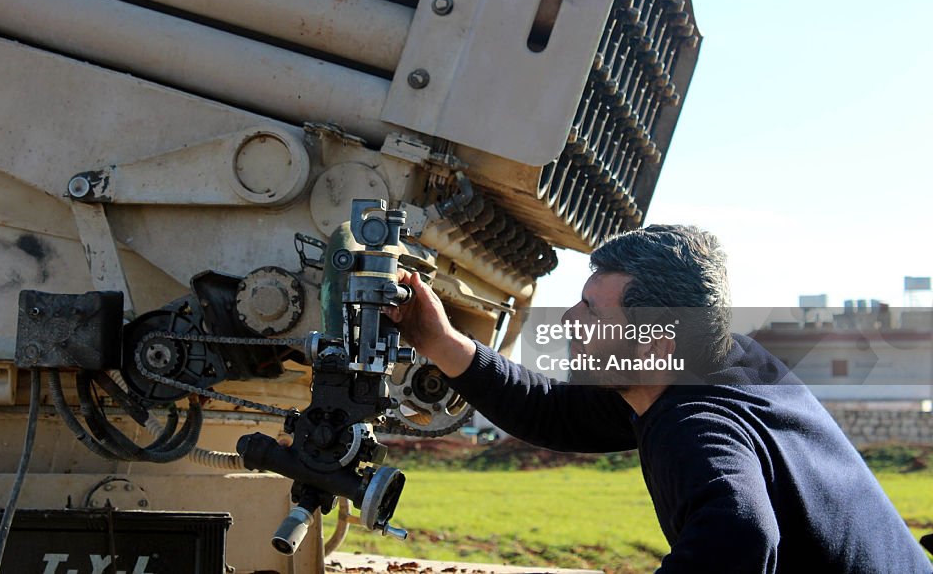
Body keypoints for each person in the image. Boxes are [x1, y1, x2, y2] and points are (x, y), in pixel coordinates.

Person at [384, 224, 931, 573]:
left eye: (592, 312)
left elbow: (741, 534)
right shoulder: (715, 364)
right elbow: (553, 412)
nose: (569, 322)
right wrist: (440, 341)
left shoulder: (694, 423)